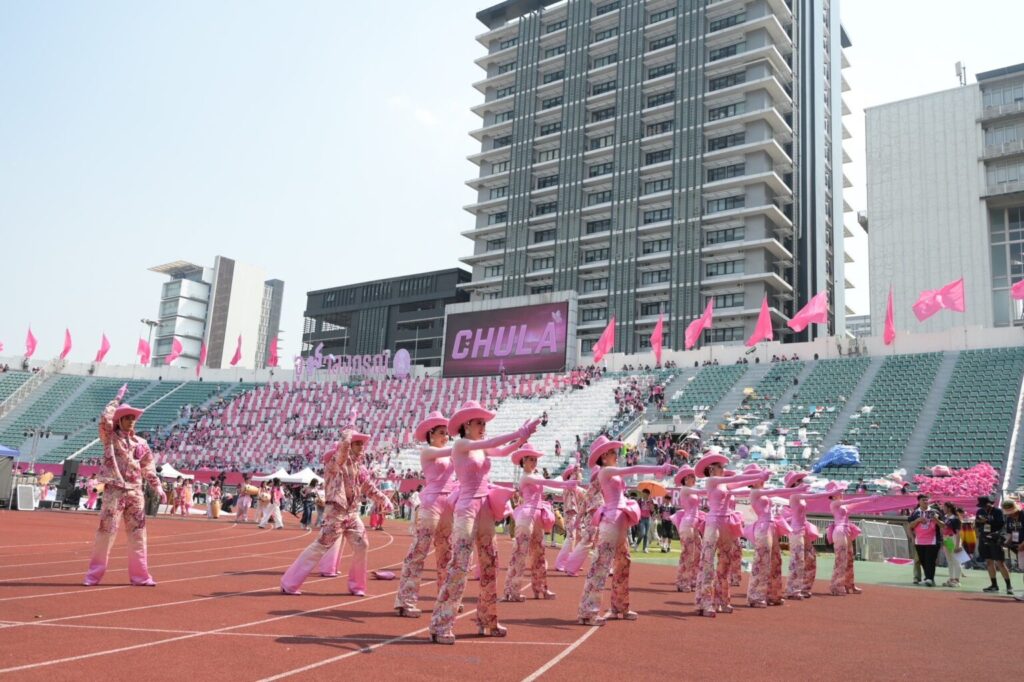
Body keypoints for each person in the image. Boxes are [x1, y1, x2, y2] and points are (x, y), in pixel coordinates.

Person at [428, 401, 538, 644]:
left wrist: (522, 438)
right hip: (467, 508)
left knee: (490, 563)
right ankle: (440, 623)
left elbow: (501, 451)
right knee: (460, 564)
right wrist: (518, 433)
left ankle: (487, 620)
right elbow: (490, 444)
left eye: (484, 423)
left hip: (486, 508)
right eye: (479, 423)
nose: (483, 427)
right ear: (466, 424)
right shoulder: (461, 444)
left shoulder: (479, 447)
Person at [280, 428, 394, 596]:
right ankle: (289, 583)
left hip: (352, 513)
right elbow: (341, 455)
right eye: (357, 443)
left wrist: (384, 500)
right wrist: (346, 438)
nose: (362, 447)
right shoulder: (334, 464)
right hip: (336, 513)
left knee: (362, 545)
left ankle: (357, 586)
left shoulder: (359, 468)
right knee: (320, 546)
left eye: (362, 444)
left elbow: (369, 487)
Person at [576, 436, 675, 626]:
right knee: (601, 566)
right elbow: (632, 469)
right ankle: (588, 611)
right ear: (604, 457)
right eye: (613, 452)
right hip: (612, 521)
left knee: (623, 563)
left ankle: (619, 606)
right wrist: (657, 468)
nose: (617, 455)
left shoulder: (612, 472)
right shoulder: (605, 471)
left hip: (620, 520)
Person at [82, 385, 166, 586]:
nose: (131, 421)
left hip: (136, 492)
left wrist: (158, 487)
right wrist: (116, 399)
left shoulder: (141, 443)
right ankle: (93, 575)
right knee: (106, 532)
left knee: (138, 535)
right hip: (114, 491)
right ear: (119, 420)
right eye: (127, 418)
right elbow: (104, 417)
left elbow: (148, 467)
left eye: (133, 418)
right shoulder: (110, 438)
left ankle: (141, 576)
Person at [395, 412, 458, 618]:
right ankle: (405, 600)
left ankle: (444, 596)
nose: (445, 437)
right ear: (430, 434)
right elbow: (457, 450)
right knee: (419, 551)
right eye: (441, 433)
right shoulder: (428, 452)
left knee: (446, 552)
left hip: (448, 504)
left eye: (447, 434)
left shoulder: (449, 453)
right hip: (431, 503)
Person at [693, 451, 769, 617]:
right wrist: (759, 475)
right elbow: (734, 479)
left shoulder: (723, 485)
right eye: (720, 466)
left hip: (725, 524)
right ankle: (705, 602)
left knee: (725, 562)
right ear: (711, 469)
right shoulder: (711, 481)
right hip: (713, 522)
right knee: (707, 562)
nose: (723, 469)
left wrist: (758, 478)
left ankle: (722, 600)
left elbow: (739, 483)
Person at [503, 443, 577, 602]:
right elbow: (549, 484)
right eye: (530, 459)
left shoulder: (536, 475)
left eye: (535, 459)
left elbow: (550, 484)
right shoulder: (525, 476)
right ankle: (511, 590)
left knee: (539, 554)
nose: (533, 462)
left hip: (537, 516)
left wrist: (569, 480)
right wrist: (566, 483)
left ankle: (541, 589)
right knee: (520, 553)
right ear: (523, 460)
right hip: (526, 516)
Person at [743, 464, 808, 607]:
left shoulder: (762, 492)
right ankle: (756, 596)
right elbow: (776, 490)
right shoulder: (754, 493)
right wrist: (795, 489)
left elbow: (775, 493)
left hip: (770, 527)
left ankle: (773, 594)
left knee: (775, 561)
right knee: (762, 561)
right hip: (763, 527)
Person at [783, 471, 833, 600]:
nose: (802, 482)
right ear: (794, 484)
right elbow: (815, 497)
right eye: (799, 480)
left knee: (810, 558)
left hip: (803, 530)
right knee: (797, 560)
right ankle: (793, 589)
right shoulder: (794, 496)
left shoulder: (801, 496)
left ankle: (804, 587)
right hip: (796, 531)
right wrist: (829, 493)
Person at [827, 488, 878, 596]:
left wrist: (870, 500)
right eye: (838, 492)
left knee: (849, 559)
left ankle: (849, 584)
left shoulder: (842, 505)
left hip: (846, 530)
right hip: (840, 530)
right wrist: (869, 497)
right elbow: (852, 501)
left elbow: (856, 504)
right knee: (841, 559)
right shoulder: (834, 503)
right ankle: (837, 586)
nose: (841, 493)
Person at [671, 466, 704, 592]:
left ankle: (692, 578)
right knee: (688, 553)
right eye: (691, 476)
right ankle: (683, 581)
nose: (693, 479)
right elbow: (701, 492)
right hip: (688, 524)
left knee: (698, 552)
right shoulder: (684, 489)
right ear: (685, 479)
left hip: (694, 524)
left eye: (693, 476)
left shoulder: (691, 490)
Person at [976, 496, 1013, 595]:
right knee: (989, 562)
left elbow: (1000, 524)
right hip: (984, 537)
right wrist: (979, 523)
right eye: (982, 506)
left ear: (989, 503)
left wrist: (987, 521)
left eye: (985, 505)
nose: (984, 507)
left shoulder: (997, 511)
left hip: (995, 539)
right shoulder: (980, 511)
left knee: (1000, 562)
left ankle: (1009, 586)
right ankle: (994, 585)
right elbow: (977, 524)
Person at [554, 464, 586, 571]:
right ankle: (560, 563)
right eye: (578, 473)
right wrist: (575, 472)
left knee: (580, 537)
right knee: (571, 537)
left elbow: (587, 497)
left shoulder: (577, 489)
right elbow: (572, 483)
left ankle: (573, 561)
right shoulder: (568, 486)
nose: (580, 475)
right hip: (570, 515)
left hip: (577, 516)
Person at [908, 495, 943, 586]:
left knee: (930, 560)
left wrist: (935, 519)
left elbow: (943, 525)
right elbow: (910, 526)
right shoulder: (915, 513)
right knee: (923, 560)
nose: (925, 502)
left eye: (927, 500)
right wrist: (918, 520)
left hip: (933, 541)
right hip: (919, 541)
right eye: (923, 500)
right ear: (919, 501)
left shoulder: (935, 511)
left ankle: (930, 578)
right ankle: (928, 577)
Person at [941, 502, 963, 587]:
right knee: (949, 560)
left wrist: (957, 545)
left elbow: (958, 533)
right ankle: (951, 578)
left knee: (956, 560)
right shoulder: (945, 517)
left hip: (953, 539)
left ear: (949, 508)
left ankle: (957, 580)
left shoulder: (956, 518)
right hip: (947, 540)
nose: (943, 509)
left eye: (944, 507)